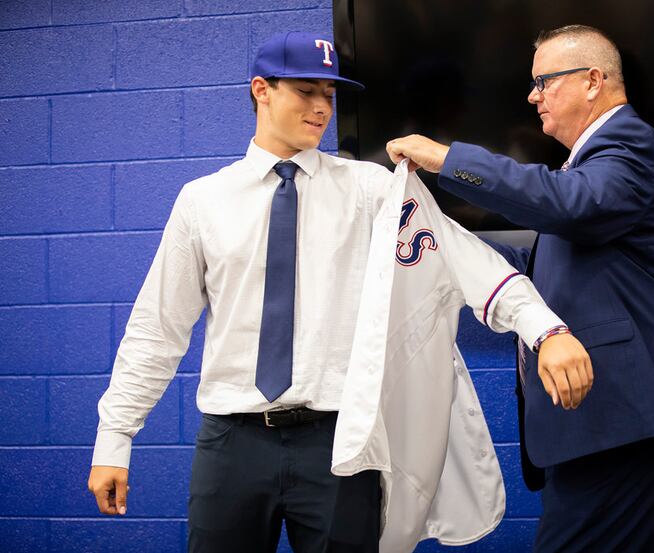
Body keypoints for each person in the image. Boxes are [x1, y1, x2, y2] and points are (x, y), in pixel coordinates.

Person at [87, 31, 593, 553]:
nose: (321, 107)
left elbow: (466, 260)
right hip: (231, 440)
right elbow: (157, 328)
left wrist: (543, 329)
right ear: (261, 90)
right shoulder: (203, 202)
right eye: (305, 91)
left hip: (339, 443)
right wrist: (115, 437)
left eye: (329, 95)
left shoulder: (371, 190)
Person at [387, 24, 654, 553]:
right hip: (608, 424)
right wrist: (444, 242)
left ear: (593, 81)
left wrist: (448, 160)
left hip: (619, 419)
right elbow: (544, 263)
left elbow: (570, 204)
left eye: (544, 81)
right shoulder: (590, 163)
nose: (533, 96)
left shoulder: (630, 143)